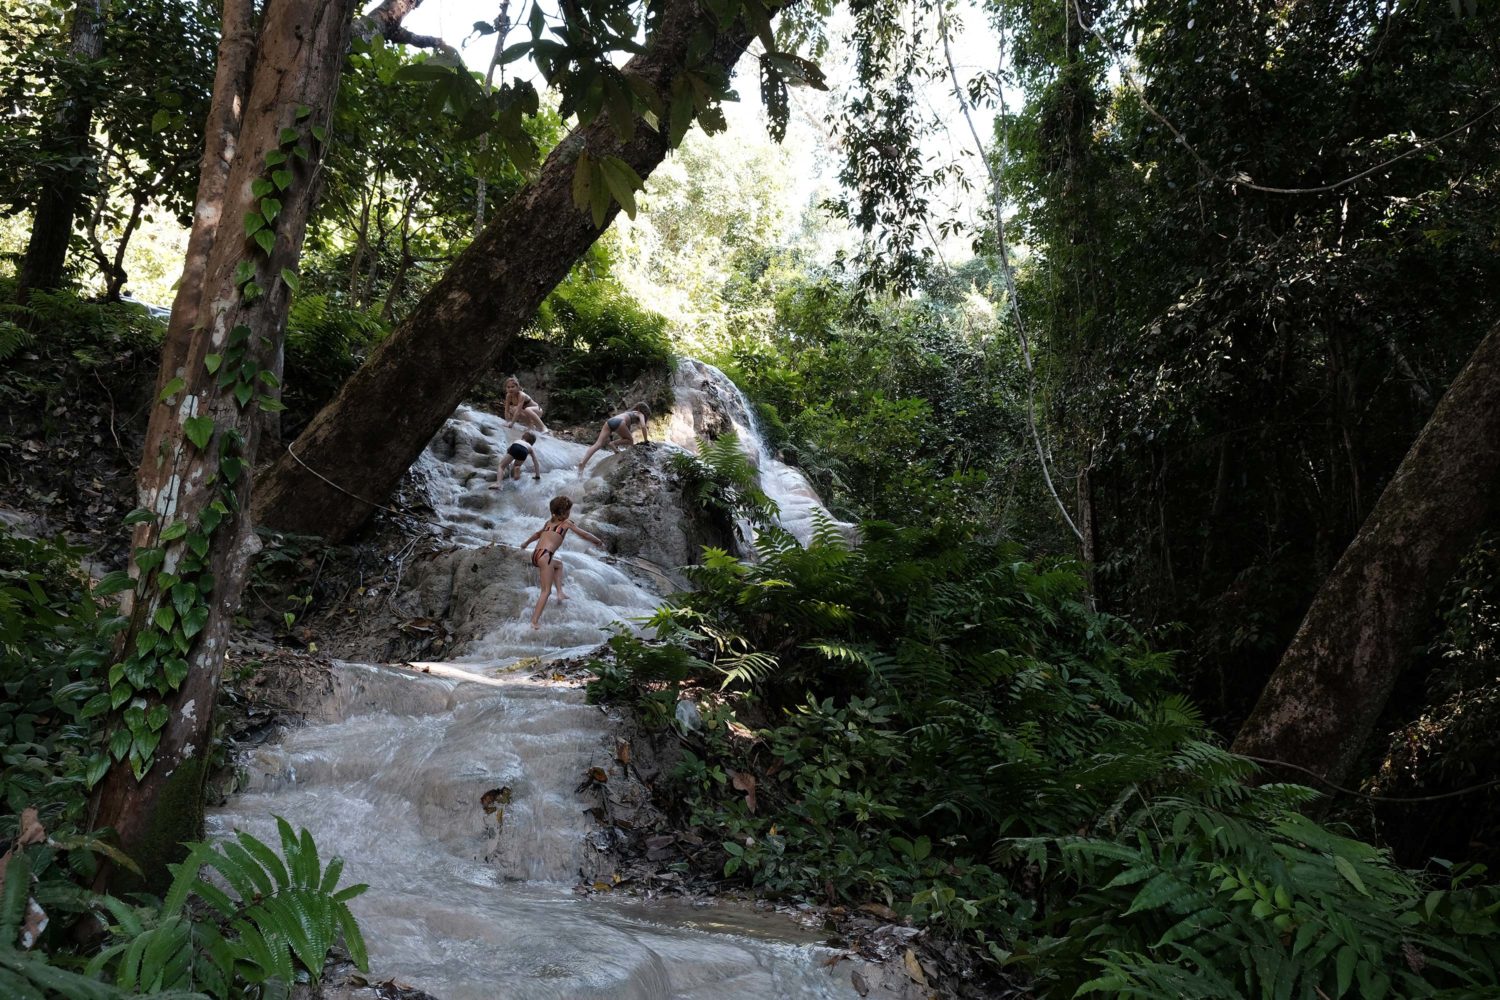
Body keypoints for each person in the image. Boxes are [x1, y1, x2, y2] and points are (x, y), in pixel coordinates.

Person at [521, 495, 603, 629]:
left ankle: (560, 592)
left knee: (558, 564)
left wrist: (526, 543)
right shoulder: (566, 523)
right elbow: (584, 534)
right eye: (568, 511)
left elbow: (537, 534)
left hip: (536, 555)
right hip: (545, 556)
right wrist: (597, 541)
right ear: (564, 513)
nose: (569, 513)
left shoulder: (548, 523)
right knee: (546, 591)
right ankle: (534, 621)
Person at [576, 402, 651, 473]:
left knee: (598, 444)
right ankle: (613, 443)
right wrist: (646, 440)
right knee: (631, 440)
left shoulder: (629, 413)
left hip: (610, 421)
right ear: (645, 412)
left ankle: (582, 463)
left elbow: (625, 434)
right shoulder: (640, 414)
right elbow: (643, 427)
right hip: (620, 422)